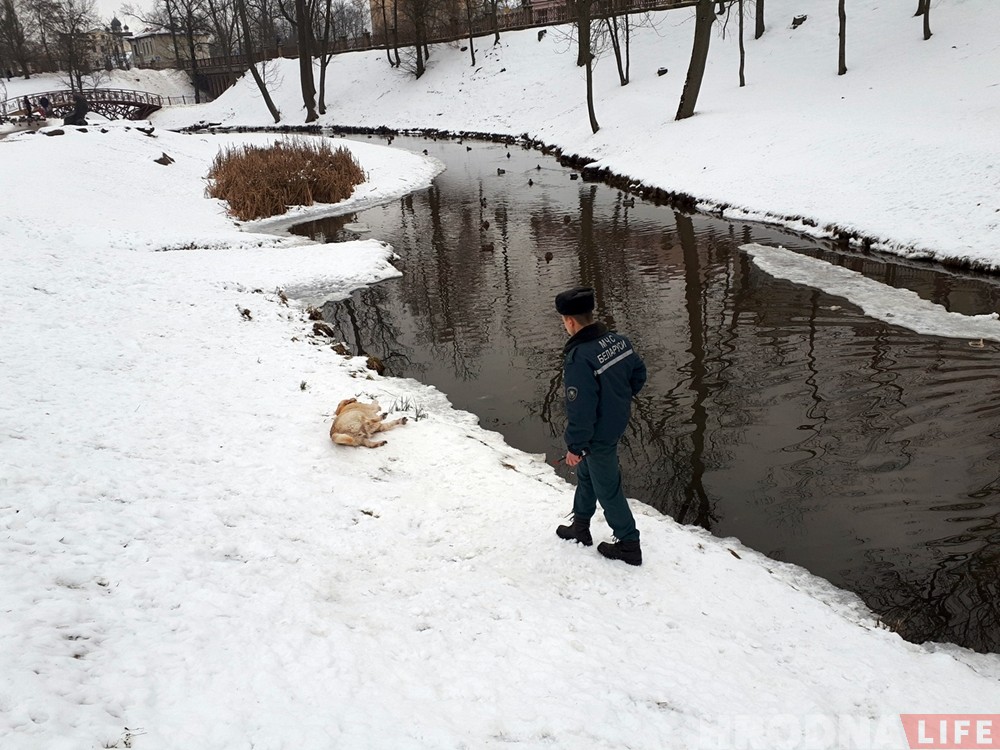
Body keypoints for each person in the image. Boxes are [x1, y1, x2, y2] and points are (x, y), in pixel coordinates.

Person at [554, 286, 647, 566]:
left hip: (598, 433)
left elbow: (581, 409)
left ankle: (629, 544)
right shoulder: (619, 341)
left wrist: (575, 446)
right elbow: (639, 374)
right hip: (616, 422)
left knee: (607, 487)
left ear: (570, 321)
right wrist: (618, 400)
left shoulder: (579, 358)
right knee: (587, 474)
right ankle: (580, 526)